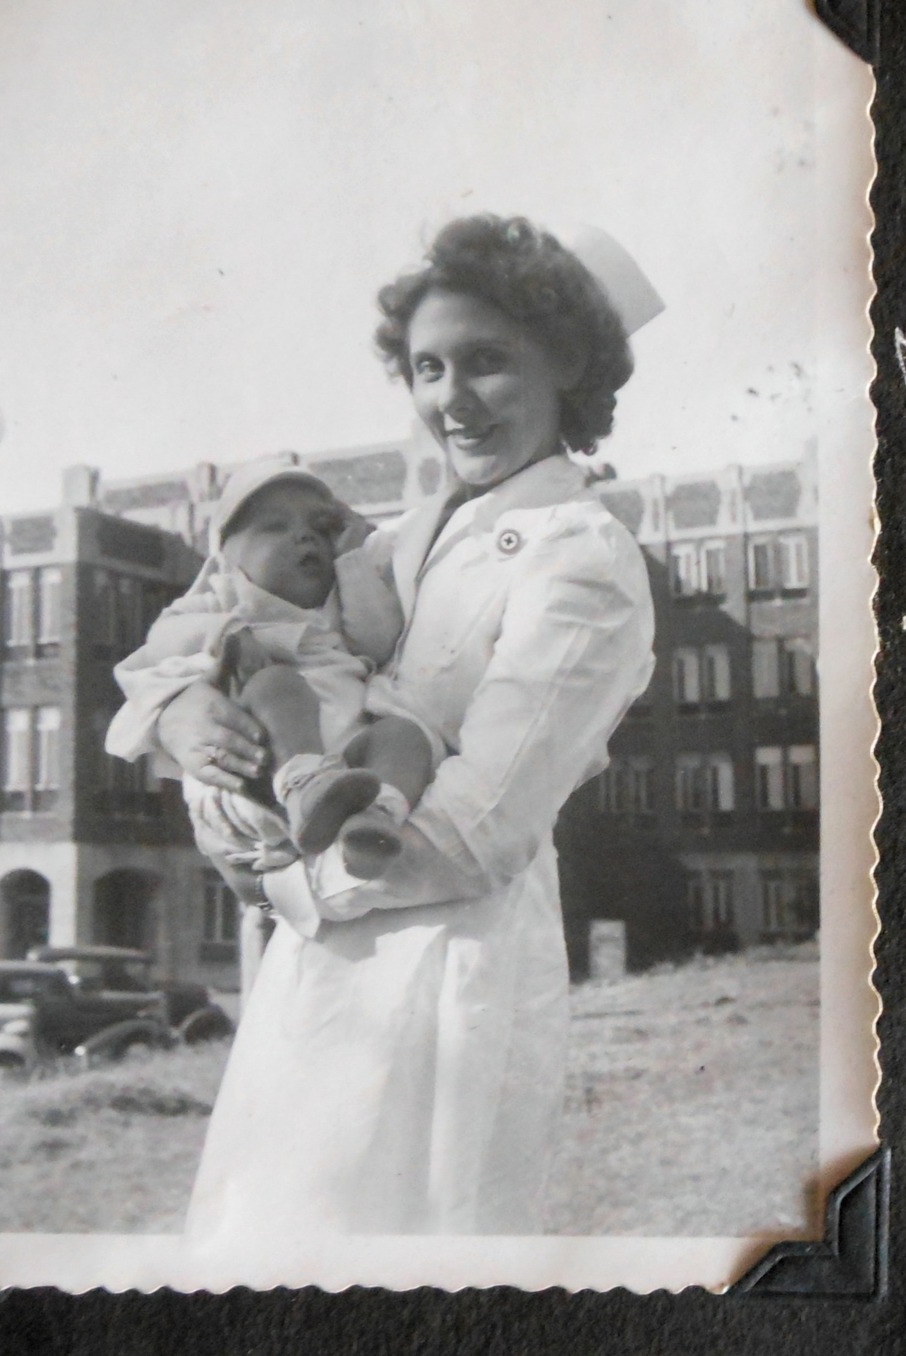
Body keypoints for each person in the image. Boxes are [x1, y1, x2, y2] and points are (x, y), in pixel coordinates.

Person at [156, 214, 663, 1246]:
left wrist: (282, 886)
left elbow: (479, 828)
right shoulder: (412, 535)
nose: (449, 400)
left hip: (444, 967)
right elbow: (250, 633)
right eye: (427, 368)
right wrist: (189, 725)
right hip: (320, 962)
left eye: (485, 362)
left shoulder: (582, 559)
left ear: (566, 364)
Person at [106, 459, 442, 879]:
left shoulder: (335, 603)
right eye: (275, 526)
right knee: (275, 684)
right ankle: (307, 787)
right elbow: (163, 640)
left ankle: (374, 818)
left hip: (348, 770)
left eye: (321, 529)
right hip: (259, 777)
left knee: (404, 734)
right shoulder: (223, 596)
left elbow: (380, 639)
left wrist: (353, 561)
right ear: (225, 557)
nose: (304, 536)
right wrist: (228, 633)